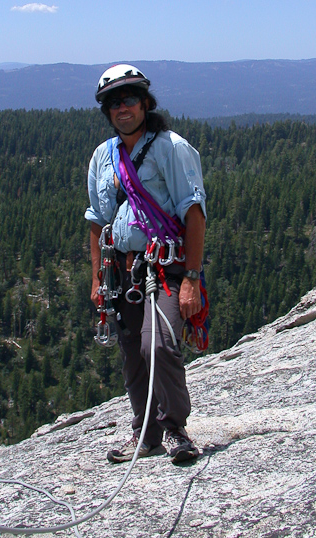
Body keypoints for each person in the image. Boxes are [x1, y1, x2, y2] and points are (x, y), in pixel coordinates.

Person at [85, 63, 206, 464]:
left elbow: (194, 214)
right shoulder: (103, 156)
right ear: (107, 110)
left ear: (145, 102)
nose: (123, 108)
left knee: (158, 344)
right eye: (114, 102)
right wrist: (96, 280)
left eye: (130, 99)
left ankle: (175, 429)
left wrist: (190, 278)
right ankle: (146, 434)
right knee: (133, 353)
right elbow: (97, 221)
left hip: (165, 268)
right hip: (121, 270)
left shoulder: (172, 148)